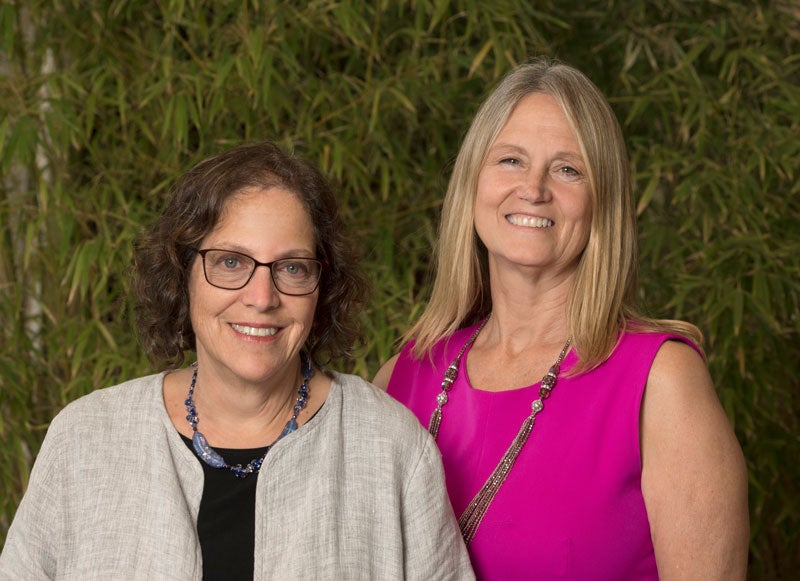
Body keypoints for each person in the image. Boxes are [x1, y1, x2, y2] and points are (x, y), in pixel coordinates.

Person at [0, 140, 474, 580]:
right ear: (182, 274)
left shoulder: (392, 449)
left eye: (291, 267)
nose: (262, 297)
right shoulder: (84, 441)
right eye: (231, 262)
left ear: (322, 287)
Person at [373, 58, 749, 580]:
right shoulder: (402, 378)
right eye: (509, 160)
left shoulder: (660, 383)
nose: (534, 188)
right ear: (472, 182)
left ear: (603, 202)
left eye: (568, 169)